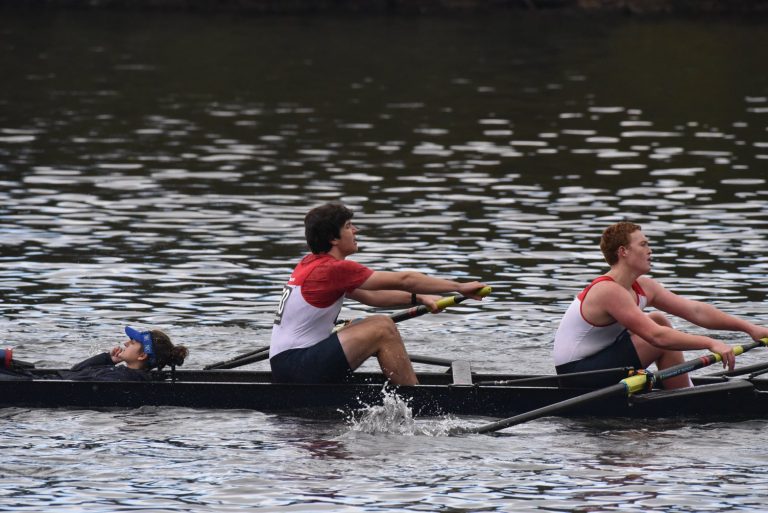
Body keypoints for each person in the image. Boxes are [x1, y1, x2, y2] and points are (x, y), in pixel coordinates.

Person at [270, 202, 488, 386]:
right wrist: (459, 287)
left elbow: (372, 297)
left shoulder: (310, 263)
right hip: (297, 367)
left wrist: (419, 298)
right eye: (348, 226)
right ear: (332, 238)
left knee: (361, 324)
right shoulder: (333, 269)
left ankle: (397, 388)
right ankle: (416, 400)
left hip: (288, 364)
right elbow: (405, 280)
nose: (356, 230)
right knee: (382, 327)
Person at [553, 221, 768, 388]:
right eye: (643, 244)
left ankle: (682, 391)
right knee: (658, 337)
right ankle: (684, 398)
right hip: (577, 374)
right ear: (623, 251)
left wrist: (750, 328)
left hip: (599, 363)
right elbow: (657, 337)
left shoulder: (643, 286)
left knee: (658, 319)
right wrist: (710, 343)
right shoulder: (607, 290)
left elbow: (696, 311)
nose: (650, 250)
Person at [0, 326, 189, 382]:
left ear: (142, 356)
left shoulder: (127, 379)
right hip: (46, 380)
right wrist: (108, 359)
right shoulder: (121, 372)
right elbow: (75, 370)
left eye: (132, 342)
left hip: (38, 384)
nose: (125, 343)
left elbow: (77, 379)